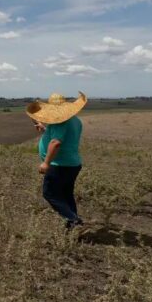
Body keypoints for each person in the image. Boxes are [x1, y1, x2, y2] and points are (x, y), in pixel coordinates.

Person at [26, 92, 87, 229]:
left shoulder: (60, 122)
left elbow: (56, 142)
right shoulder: (74, 120)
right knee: (66, 194)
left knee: (50, 193)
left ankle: (74, 220)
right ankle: (72, 226)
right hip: (72, 164)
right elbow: (60, 136)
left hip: (60, 165)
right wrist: (45, 129)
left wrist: (46, 163)